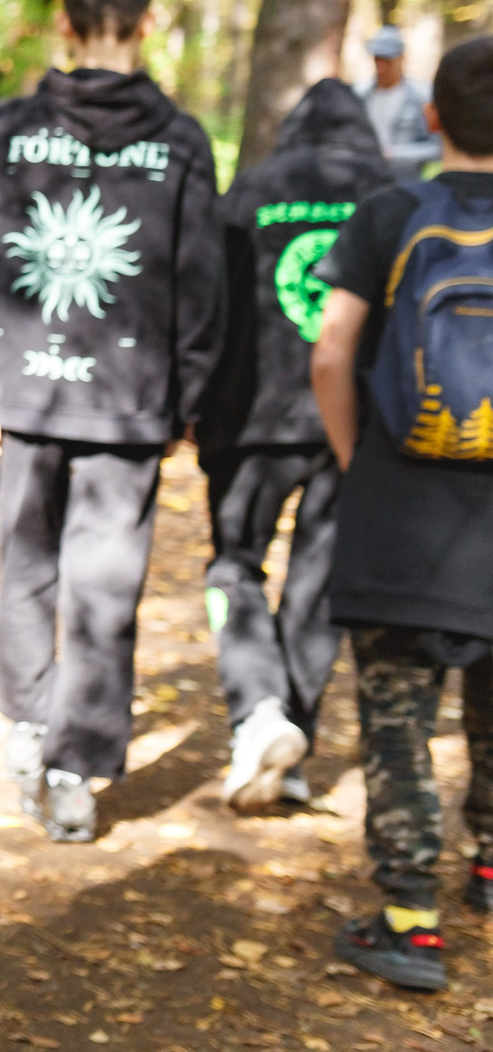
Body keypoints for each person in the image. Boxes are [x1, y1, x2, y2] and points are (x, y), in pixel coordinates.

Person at [0, 0, 222, 843]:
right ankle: (75, 765)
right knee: (105, 582)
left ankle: (30, 726)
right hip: (132, 399)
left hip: (27, 389)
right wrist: (192, 393)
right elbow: (200, 283)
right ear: (145, 24)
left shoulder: (11, 129)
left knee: (28, 567)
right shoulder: (179, 139)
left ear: (64, 24)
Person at [311, 35, 493, 992]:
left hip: (401, 520)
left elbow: (332, 351)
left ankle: (412, 919)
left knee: (397, 718)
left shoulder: (389, 213)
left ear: (432, 117)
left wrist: (357, 462)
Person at [193, 79, 393, 811]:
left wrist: (194, 402)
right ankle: (293, 741)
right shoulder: (390, 193)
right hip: (353, 423)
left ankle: (259, 710)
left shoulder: (250, 189)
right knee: (318, 579)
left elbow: (208, 301)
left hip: (250, 420)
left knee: (233, 565)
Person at [354, 29, 442, 181]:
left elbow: (437, 147)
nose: (381, 68)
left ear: (401, 59)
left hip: (404, 183)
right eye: (377, 60)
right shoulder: (358, 95)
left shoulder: (423, 97)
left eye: (387, 61)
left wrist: (394, 154)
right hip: (364, 180)